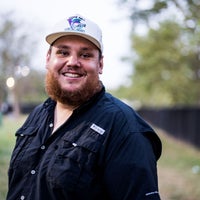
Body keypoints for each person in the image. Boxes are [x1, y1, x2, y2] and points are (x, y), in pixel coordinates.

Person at [6, 14, 162, 200]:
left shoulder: (124, 128)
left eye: (85, 55)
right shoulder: (38, 114)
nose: (73, 62)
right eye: (63, 52)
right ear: (48, 59)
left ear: (100, 64)